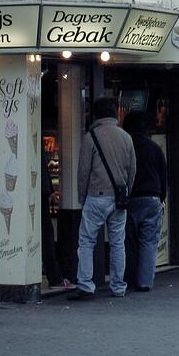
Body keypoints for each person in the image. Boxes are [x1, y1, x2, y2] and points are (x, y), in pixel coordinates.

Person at [68, 98, 136, 301]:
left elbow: (83, 171)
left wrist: (82, 196)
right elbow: (132, 171)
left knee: (87, 241)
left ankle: (86, 285)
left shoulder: (91, 137)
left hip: (96, 197)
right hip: (119, 198)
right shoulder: (126, 137)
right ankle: (118, 286)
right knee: (117, 243)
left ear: (96, 115)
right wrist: (126, 193)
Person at [122, 110, 167, 291]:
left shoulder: (125, 147)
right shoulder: (154, 148)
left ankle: (129, 278)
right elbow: (163, 175)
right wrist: (161, 197)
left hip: (130, 198)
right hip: (152, 198)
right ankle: (145, 281)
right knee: (148, 241)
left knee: (129, 242)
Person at [41, 148, 73, 290]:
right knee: (46, 236)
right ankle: (54, 277)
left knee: (46, 235)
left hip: (38, 193)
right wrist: (49, 190)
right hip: (41, 194)